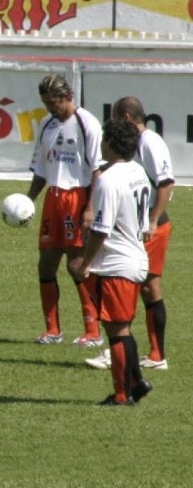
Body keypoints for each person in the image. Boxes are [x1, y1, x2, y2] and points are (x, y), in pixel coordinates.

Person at [85, 97, 175, 371]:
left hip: (150, 226)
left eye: (114, 118)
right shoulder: (144, 143)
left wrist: (151, 220)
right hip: (144, 223)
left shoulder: (148, 142)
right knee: (145, 288)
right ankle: (155, 355)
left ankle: (122, 349)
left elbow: (166, 183)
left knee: (134, 284)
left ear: (125, 117)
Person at [74, 119, 152, 406]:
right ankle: (137, 383)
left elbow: (101, 230)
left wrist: (85, 263)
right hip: (135, 256)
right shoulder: (138, 172)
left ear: (110, 143)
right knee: (122, 328)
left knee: (117, 331)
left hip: (117, 263)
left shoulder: (110, 178)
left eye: (105, 139)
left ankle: (122, 395)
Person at [25, 73, 103, 349]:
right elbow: (41, 170)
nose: (49, 108)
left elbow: (97, 169)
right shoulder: (47, 124)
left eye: (53, 102)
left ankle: (93, 331)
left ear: (67, 97)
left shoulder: (87, 123)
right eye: (45, 103)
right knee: (46, 264)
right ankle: (52, 330)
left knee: (77, 265)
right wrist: (29, 201)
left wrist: (91, 207)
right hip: (53, 200)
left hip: (77, 198)